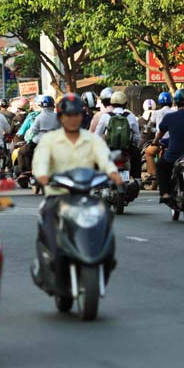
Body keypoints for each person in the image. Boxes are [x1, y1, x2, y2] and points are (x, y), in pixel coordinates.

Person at [31, 94, 123, 280]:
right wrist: (42, 176)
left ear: (82, 115)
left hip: (87, 196)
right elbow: (40, 162)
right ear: (60, 117)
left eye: (76, 115)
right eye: (68, 115)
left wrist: (114, 175)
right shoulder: (49, 140)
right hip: (57, 196)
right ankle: (47, 266)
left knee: (105, 217)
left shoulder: (92, 140)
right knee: (47, 225)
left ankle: (105, 258)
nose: (72, 119)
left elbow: (105, 159)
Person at [95, 90, 141, 179]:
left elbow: (97, 134)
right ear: (125, 103)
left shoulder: (106, 116)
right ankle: (137, 179)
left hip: (110, 148)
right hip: (127, 149)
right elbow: (136, 136)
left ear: (111, 103)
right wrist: (133, 145)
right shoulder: (130, 116)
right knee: (137, 155)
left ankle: (99, 180)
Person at [17, 96, 60, 176]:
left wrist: (27, 138)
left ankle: (26, 172)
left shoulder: (39, 117)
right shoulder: (58, 117)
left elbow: (33, 131)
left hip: (38, 142)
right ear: (53, 106)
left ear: (42, 106)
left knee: (22, 152)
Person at [144, 91, 176, 186]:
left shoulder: (156, 113)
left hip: (160, 142)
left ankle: (154, 175)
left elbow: (149, 126)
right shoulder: (174, 112)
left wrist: (147, 130)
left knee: (148, 153)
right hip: (173, 142)